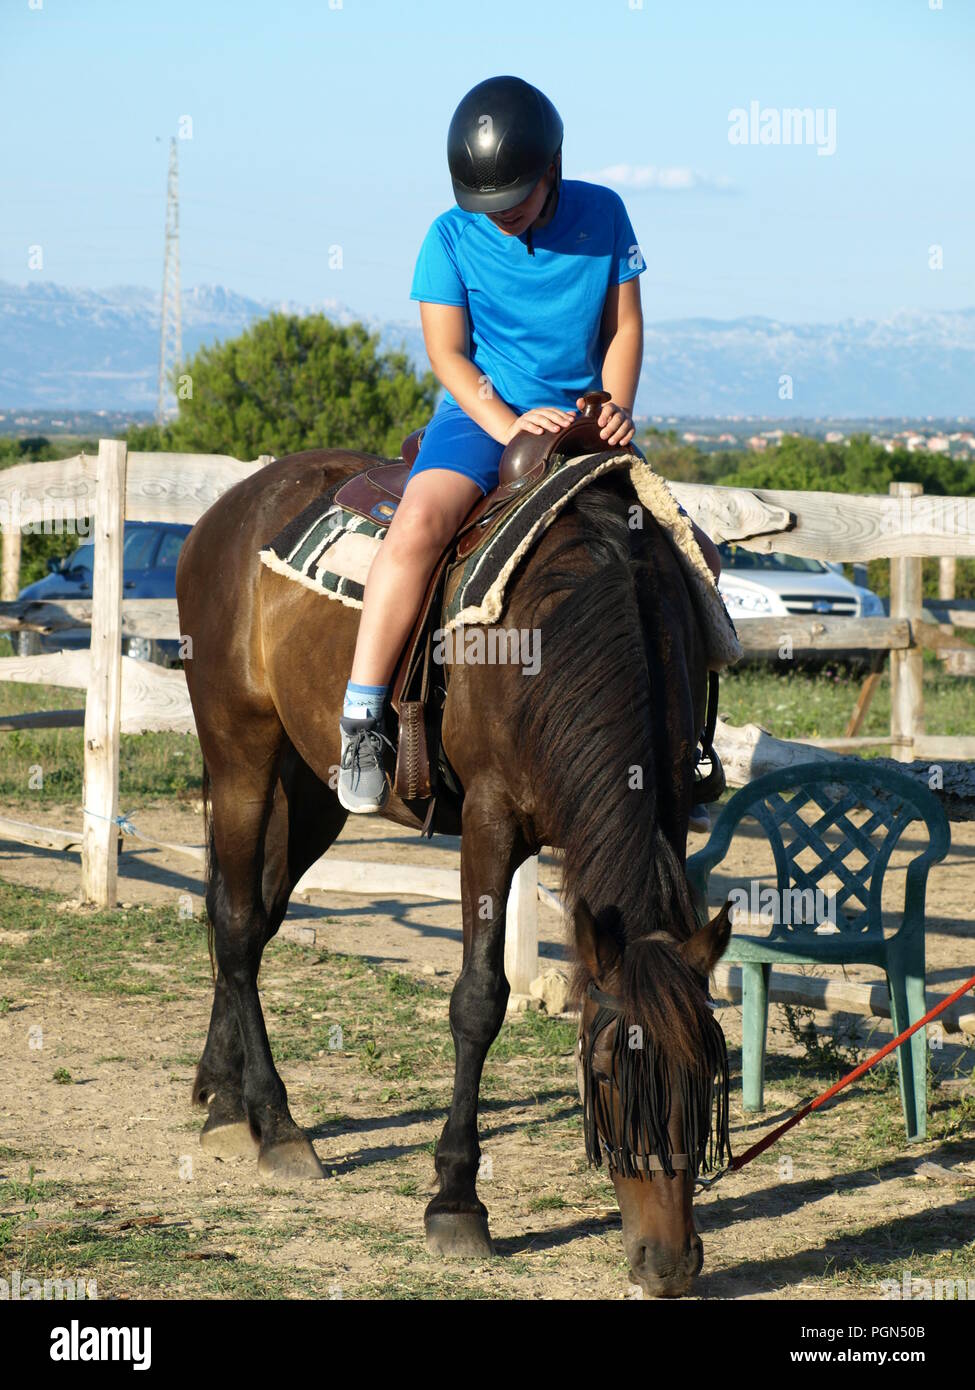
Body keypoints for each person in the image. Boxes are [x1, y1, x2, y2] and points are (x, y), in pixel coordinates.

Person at [338, 75, 720, 819]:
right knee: (418, 524)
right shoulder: (448, 236)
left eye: (513, 198)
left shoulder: (604, 213)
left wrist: (614, 409)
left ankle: (682, 743)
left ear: (553, 167)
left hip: (582, 422)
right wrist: (507, 422)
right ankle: (362, 716)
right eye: (485, 202)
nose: (499, 214)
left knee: (694, 555)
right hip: (480, 416)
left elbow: (624, 327)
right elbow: (448, 353)